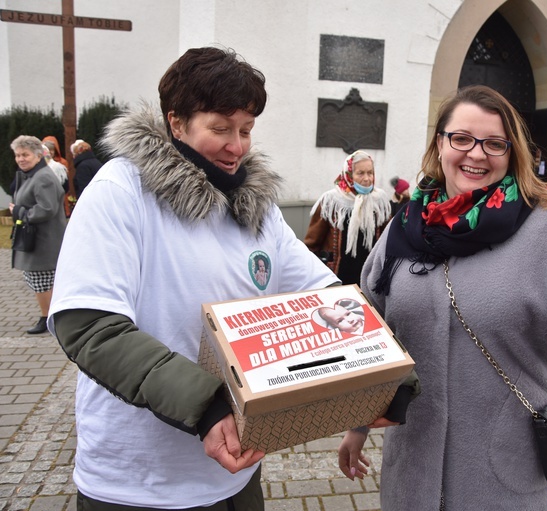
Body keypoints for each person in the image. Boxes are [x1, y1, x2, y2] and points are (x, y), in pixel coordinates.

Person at [47, 47, 340, 510]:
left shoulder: (255, 206)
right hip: (137, 482)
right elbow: (89, 326)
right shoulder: (120, 191)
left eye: (246, 130)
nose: (237, 146)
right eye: (220, 128)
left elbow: (323, 293)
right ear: (176, 123)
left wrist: (380, 371)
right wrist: (206, 405)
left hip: (235, 474)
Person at [337, 85, 547, 509]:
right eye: (461, 138)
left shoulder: (545, 228)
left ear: (512, 152)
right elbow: (371, 333)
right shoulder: (405, 225)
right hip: (413, 471)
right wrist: (357, 423)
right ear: (440, 143)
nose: (476, 154)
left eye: (494, 144)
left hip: (501, 474)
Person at [304, 150, 390, 286]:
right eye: (360, 173)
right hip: (336, 276)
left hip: (369, 278)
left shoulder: (380, 201)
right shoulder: (332, 201)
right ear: (348, 174)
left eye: (370, 173)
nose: (367, 178)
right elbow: (312, 243)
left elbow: (387, 238)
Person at [9, 136, 67, 335]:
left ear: (37, 155)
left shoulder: (42, 177)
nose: (20, 159)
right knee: (39, 282)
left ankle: (48, 319)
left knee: (42, 282)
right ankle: (50, 317)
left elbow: (46, 208)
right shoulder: (30, 175)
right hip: (36, 239)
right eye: (17, 155)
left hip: (44, 241)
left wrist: (20, 213)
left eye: (25, 154)